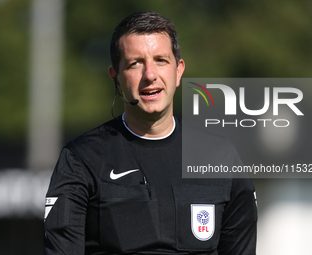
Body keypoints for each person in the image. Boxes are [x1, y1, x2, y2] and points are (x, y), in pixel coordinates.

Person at [44, 11, 257, 255]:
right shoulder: (81, 159)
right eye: (135, 63)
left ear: (178, 71)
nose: (150, 75)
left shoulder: (221, 156)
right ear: (116, 78)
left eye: (161, 60)